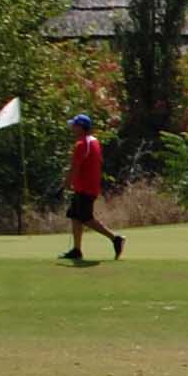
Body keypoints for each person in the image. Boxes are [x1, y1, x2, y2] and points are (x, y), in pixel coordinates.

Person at [62, 112, 125, 264]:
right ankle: (77, 250)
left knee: (86, 218)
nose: (72, 129)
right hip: (88, 185)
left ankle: (115, 238)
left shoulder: (81, 144)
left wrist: (64, 185)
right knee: (75, 215)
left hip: (85, 187)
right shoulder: (94, 141)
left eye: (75, 126)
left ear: (81, 128)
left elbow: (75, 167)